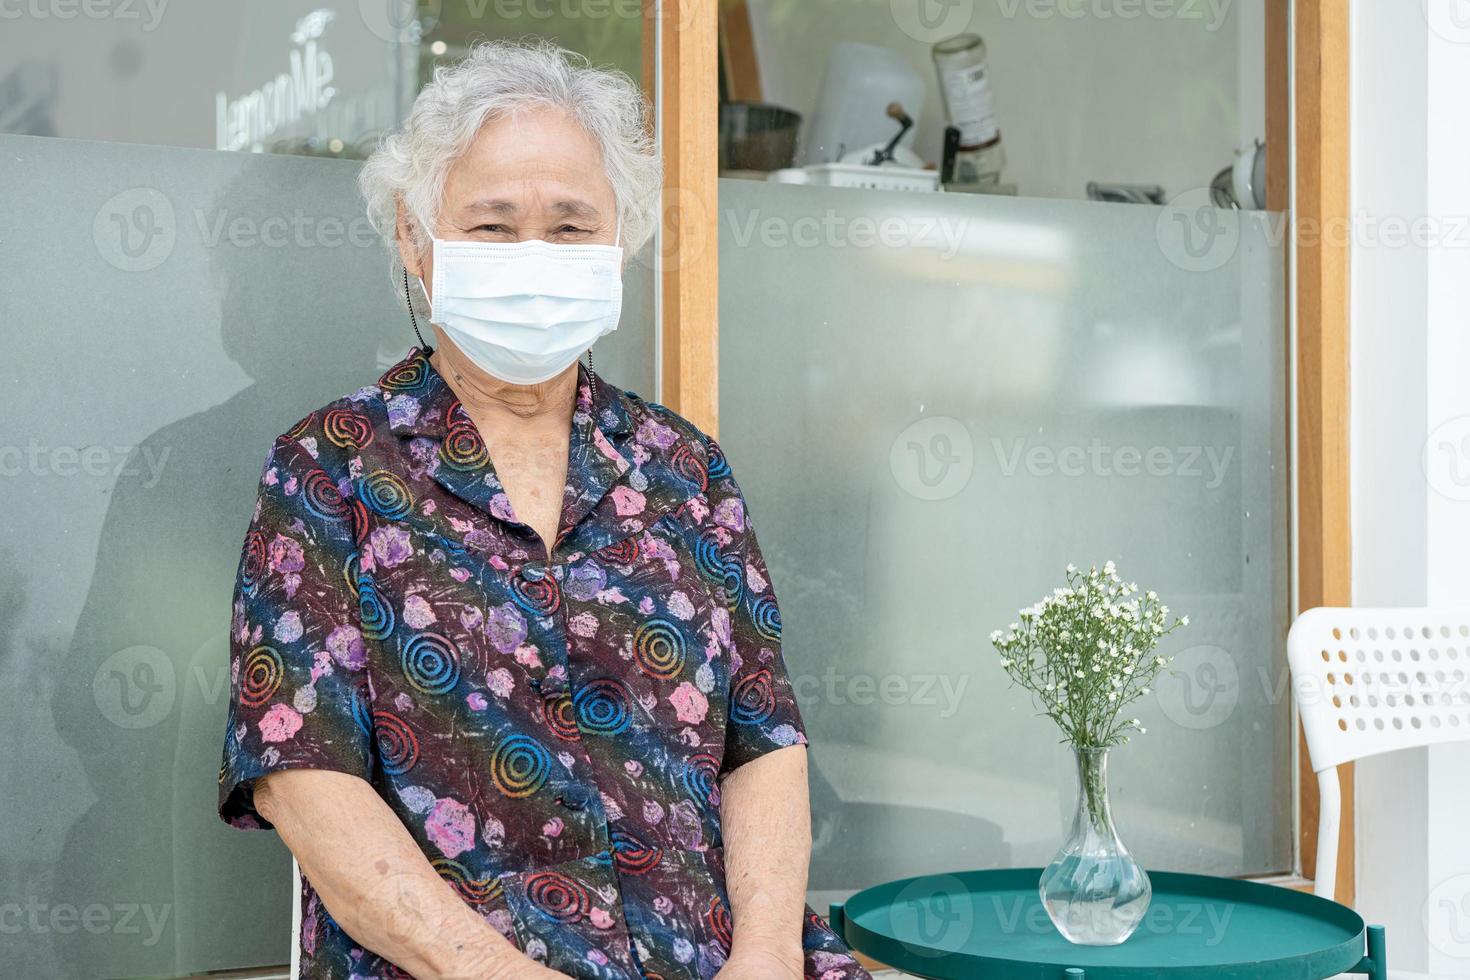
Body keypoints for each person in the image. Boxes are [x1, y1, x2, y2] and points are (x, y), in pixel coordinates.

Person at [216, 38, 871, 980]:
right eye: (491, 225)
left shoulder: (684, 470)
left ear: (623, 238)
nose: (535, 255)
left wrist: (765, 957)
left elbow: (762, 741)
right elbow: (298, 774)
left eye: (571, 226)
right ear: (414, 237)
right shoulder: (331, 469)